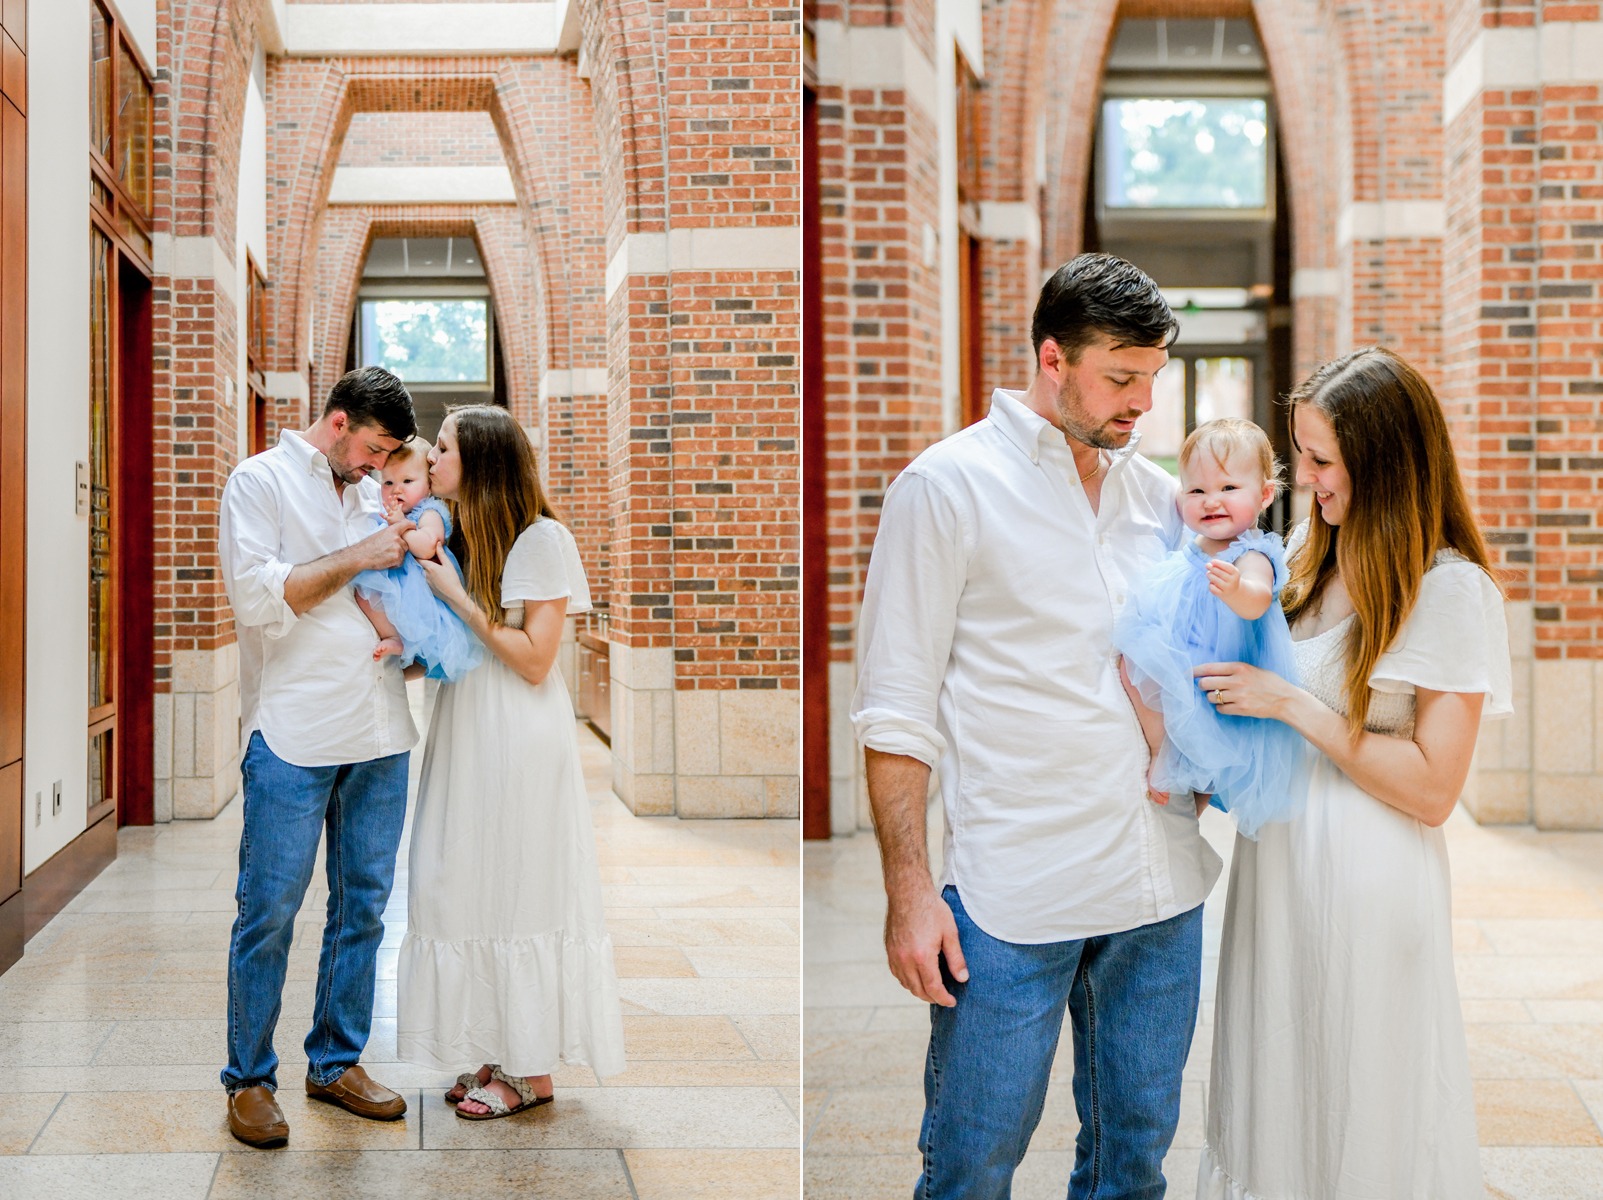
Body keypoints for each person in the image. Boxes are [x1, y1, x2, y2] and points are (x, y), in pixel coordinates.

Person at [851, 253, 1222, 1199]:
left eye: (1152, 378)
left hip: (1158, 887)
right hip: (1012, 893)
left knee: (1133, 1159)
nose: (1140, 403)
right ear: (1053, 359)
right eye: (1120, 377)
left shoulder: (1155, 500)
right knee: (973, 1162)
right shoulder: (943, 488)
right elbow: (895, 707)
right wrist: (907, 891)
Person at [1193, 347, 1512, 1199]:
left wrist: (1290, 706)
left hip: (1368, 871)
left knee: (1362, 1098)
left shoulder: (1447, 589)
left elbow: (1432, 789)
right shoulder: (1305, 552)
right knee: (1278, 1090)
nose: (1305, 477)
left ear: (1384, 462)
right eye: (1302, 454)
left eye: (1321, 460)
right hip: (1278, 866)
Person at [396, 404, 626, 1119]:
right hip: (465, 722)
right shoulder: (461, 531)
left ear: (484, 461)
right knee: (463, 879)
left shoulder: (542, 538)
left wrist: (459, 601)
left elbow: (533, 660)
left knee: (521, 881)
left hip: (517, 731)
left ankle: (532, 1072)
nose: (430, 460)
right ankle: (494, 1051)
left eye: (442, 448)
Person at [217, 365, 421, 1148]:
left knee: (363, 908)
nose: (377, 468)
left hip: (379, 730)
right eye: (371, 449)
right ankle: (250, 1081)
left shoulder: (373, 490)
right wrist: (361, 555)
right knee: (268, 911)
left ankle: (335, 1063)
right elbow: (260, 596)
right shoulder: (258, 482)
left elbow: (395, 574)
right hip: (292, 733)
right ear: (339, 423)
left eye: (387, 456)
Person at [1114, 417, 1304, 837]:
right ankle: (1164, 749)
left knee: (1208, 732)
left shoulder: (1252, 552)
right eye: (1197, 491)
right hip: (1187, 650)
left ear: (1265, 495)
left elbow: (1257, 599)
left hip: (1223, 662)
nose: (1211, 501)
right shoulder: (1191, 546)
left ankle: (1187, 788)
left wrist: (1238, 588)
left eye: (1228, 489)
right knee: (1131, 661)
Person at [351, 436, 482, 681]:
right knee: (364, 594)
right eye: (388, 482)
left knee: (395, 607)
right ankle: (393, 636)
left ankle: (404, 642)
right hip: (396, 578)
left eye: (408, 481)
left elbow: (427, 546)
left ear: (429, 485)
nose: (396, 489)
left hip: (420, 586)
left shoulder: (428, 511)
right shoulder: (391, 513)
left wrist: (401, 525)